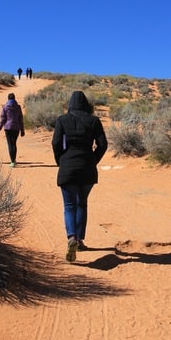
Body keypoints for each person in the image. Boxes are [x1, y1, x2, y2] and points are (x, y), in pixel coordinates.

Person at [52, 91, 108, 262]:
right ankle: (80, 240)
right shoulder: (94, 121)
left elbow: (55, 143)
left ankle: (71, 238)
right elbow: (103, 144)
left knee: (69, 205)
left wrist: (60, 160)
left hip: (68, 167)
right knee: (81, 203)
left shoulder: (62, 120)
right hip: (87, 168)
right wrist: (93, 160)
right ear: (86, 105)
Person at [0, 93, 25, 167]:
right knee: (14, 144)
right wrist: (22, 130)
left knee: (10, 144)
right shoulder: (18, 107)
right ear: (14, 99)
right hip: (16, 128)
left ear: (8, 99)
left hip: (8, 128)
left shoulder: (5, 107)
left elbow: (2, 119)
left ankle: (12, 161)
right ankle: (14, 160)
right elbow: (20, 119)